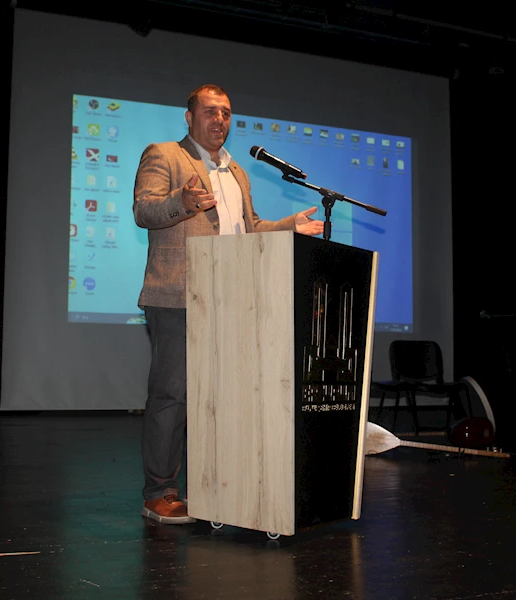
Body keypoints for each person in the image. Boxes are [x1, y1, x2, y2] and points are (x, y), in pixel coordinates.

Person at [133, 84, 324, 524]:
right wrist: (182, 202)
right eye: (210, 111)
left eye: (226, 113)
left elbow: (248, 228)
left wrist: (289, 226)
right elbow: (144, 210)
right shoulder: (165, 155)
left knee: (224, 399)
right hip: (178, 295)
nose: (219, 119)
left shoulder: (237, 170)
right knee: (172, 396)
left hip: (232, 299)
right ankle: (159, 493)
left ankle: (215, 489)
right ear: (189, 117)